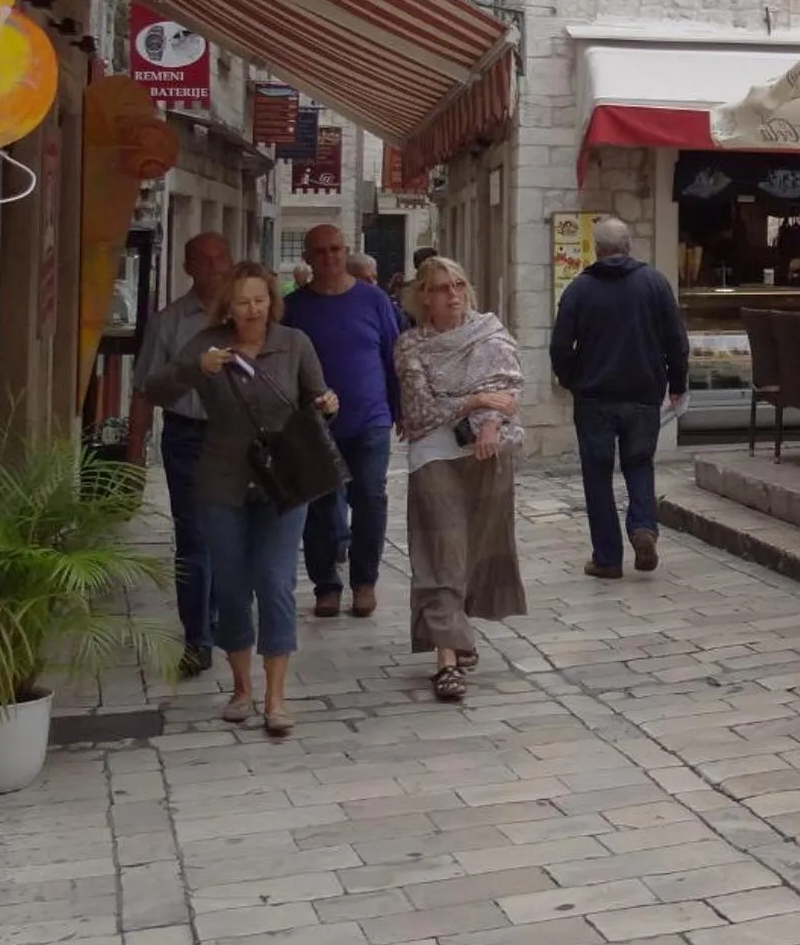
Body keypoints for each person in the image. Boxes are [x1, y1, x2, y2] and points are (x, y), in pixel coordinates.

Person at [144, 261, 338, 734]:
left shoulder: (294, 344)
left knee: (275, 582)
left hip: (283, 480)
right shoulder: (208, 344)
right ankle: (241, 689)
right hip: (223, 479)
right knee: (230, 588)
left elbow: (318, 397)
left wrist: (328, 404)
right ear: (227, 307)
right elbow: (154, 387)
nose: (253, 310)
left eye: (260, 300)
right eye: (243, 301)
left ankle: (275, 697)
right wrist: (197, 366)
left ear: (272, 301)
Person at [395, 256, 526, 703]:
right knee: (441, 551)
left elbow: (507, 390)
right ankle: (446, 660)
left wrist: (485, 416)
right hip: (433, 453)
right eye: (438, 288)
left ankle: (458, 627)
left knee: (480, 548)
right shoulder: (410, 346)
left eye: (457, 284)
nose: (451, 295)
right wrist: (473, 400)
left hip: (488, 452)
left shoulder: (490, 333)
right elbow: (418, 414)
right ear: (423, 296)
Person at [549, 216, 688, 580]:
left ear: (597, 249)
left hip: (594, 396)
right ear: (628, 245)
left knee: (597, 475)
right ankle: (643, 526)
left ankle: (608, 558)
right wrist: (678, 382)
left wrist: (571, 379)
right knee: (639, 463)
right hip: (643, 392)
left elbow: (560, 346)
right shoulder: (655, 284)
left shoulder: (579, 290)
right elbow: (676, 339)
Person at [282, 225, 405, 619]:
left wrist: (399, 409)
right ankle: (326, 585)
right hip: (314, 424)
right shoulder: (295, 308)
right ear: (308, 257)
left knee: (370, 498)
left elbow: (392, 356)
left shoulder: (373, 301)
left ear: (346, 250)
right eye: (319, 252)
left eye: (335, 249)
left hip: (370, 418)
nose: (329, 257)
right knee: (319, 503)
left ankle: (364, 581)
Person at [128, 232, 232, 678]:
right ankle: (197, 638)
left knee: (223, 534)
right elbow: (143, 392)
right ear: (188, 267)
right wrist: (134, 455)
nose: (214, 268)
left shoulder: (245, 318)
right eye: (204, 261)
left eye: (220, 259)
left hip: (234, 438)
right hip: (186, 437)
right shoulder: (169, 323)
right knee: (192, 537)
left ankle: (214, 614)